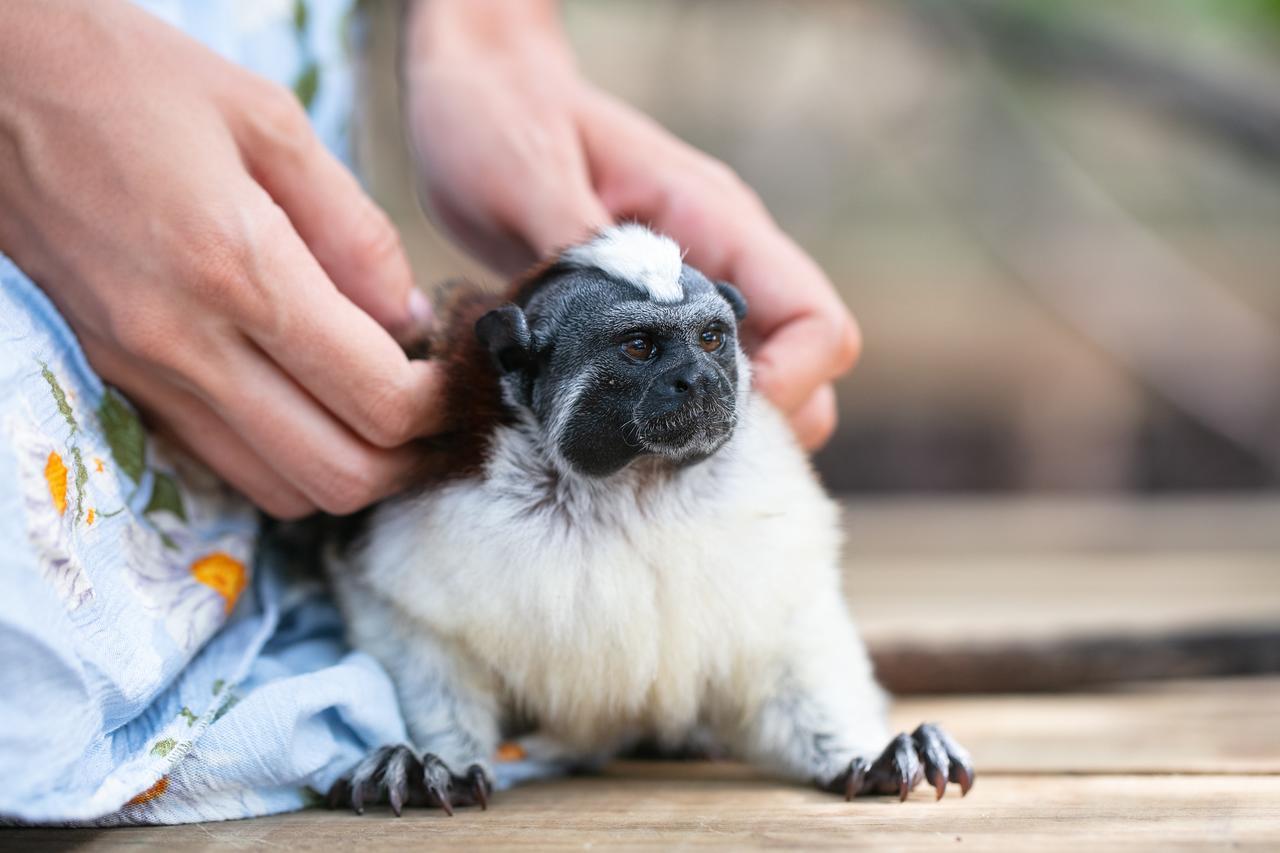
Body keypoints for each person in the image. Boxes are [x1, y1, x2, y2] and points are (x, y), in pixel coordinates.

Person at [0, 0, 859, 825]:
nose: (694, 378)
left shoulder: (747, 519)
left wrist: (487, 33)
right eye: (640, 350)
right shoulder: (458, 525)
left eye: (711, 344)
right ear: (523, 369)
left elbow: (790, 627)